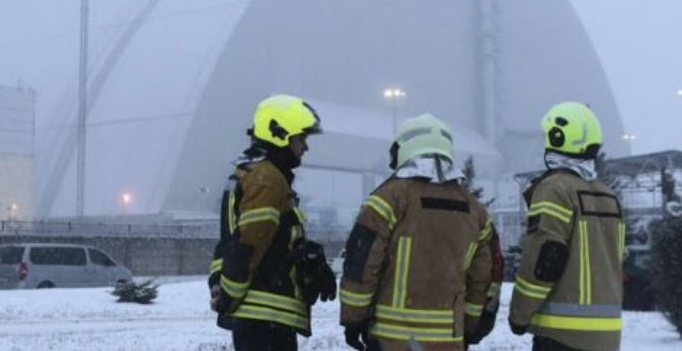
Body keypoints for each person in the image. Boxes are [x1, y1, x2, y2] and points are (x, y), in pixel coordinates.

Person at [339, 113, 498, 351]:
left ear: (403, 150)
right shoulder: (475, 210)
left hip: (391, 338)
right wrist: (472, 325)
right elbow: (482, 277)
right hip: (449, 340)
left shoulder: (388, 199)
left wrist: (353, 318)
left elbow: (361, 263)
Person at [208, 94, 337, 351]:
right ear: (280, 134)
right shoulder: (267, 179)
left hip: (261, 318)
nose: (305, 147)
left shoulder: (253, 173)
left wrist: (306, 256)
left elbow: (235, 240)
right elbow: (250, 243)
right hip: (265, 316)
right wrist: (230, 294)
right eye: (301, 138)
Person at [509, 102, 625, 351]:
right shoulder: (609, 196)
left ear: (558, 138)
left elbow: (545, 257)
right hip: (607, 336)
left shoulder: (554, 189)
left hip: (561, 334)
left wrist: (519, 314)